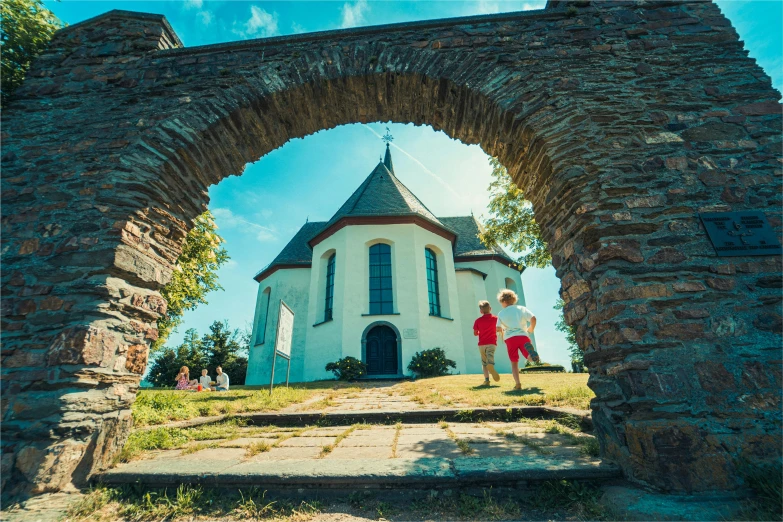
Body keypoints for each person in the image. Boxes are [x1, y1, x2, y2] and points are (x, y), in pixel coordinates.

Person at [496, 289, 540, 391]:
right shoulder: (521, 308)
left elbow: (498, 328)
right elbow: (533, 318)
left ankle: (518, 384)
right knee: (528, 355)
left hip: (510, 339)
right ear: (513, 299)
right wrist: (531, 329)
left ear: (503, 301)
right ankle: (532, 356)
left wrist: (501, 330)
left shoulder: (501, 313)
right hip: (523, 336)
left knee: (514, 362)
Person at [473, 300, 502, 386]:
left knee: (484, 362)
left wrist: (480, 332)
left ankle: (486, 380)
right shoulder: (496, 319)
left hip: (482, 344)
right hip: (492, 343)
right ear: (490, 308)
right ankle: (491, 365)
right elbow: (500, 328)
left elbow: (475, 333)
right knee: (490, 357)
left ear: (481, 311)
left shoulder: (478, 321)